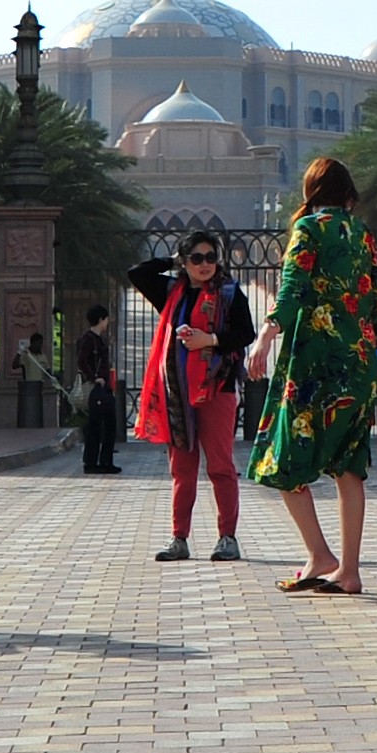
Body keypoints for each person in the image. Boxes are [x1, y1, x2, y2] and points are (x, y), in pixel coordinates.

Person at [250, 158, 377, 592]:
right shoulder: (362, 234)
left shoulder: (309, 228)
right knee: (350, 467)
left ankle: (320, 554)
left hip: (316, 364)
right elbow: (373, 297)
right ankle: (349, 570)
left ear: (312, 190)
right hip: (360, 363)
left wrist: (265, 337)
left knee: (282, 459)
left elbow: (291, 289)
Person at [129, 229, 251, 560]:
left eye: (211, 257)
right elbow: (137, 273)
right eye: (196, 258)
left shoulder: (229, 294)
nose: (204, 264)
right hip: (179, 394)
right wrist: (172, 261)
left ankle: (227, 538)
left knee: (221, 465)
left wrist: (209, 340)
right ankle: (179, 538)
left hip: (217, 389)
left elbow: (245, 333)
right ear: (184, 262)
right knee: (182, 469)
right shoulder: (172, 293)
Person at [77, 303, 123, 473]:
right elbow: (82, 360)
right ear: (100, 319)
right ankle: (91, 463)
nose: (107, 322)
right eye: (106, 319)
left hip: (105, 387)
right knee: (96, 426)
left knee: (110, 424)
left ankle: (106, 461)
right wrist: (94, 377)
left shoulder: (99, 339)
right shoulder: (88, 339)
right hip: (96, 388)